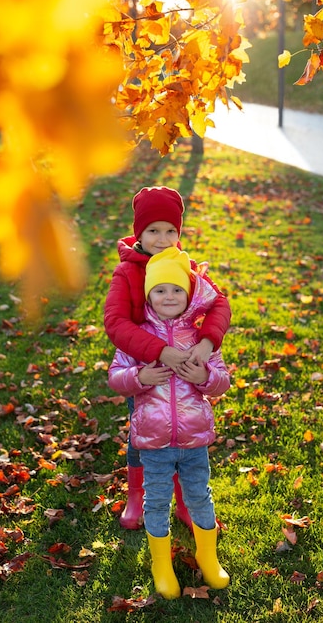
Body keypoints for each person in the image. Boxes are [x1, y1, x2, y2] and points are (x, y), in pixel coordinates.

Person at [104, 186, 231, 530]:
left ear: (179, 232)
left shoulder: (185, 266)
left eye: (171, 230)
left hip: (187, 364)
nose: (163, 239)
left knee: (184, 434)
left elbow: (219, 303)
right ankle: (137, 493)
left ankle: (186, 501)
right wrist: (161, 352)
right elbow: (115, 322)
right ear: (139, 233)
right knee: (142, 433)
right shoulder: (127, 272)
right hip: (146, 368)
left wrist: (206, 344)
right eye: (153, 230)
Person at [108, 247, 230, 599]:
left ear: (189, 294)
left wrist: (204, 375)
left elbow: (223, 381)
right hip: (153, 442)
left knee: (200, 498)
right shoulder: (139, 338)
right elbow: (116, 378)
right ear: (148, 294)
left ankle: (208, 555)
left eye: (177, 289)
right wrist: (141, 375)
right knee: (157, 501)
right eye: (160, 290)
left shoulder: (199, 339)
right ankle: (160, 563)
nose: (169, 296)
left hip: (194, 442)